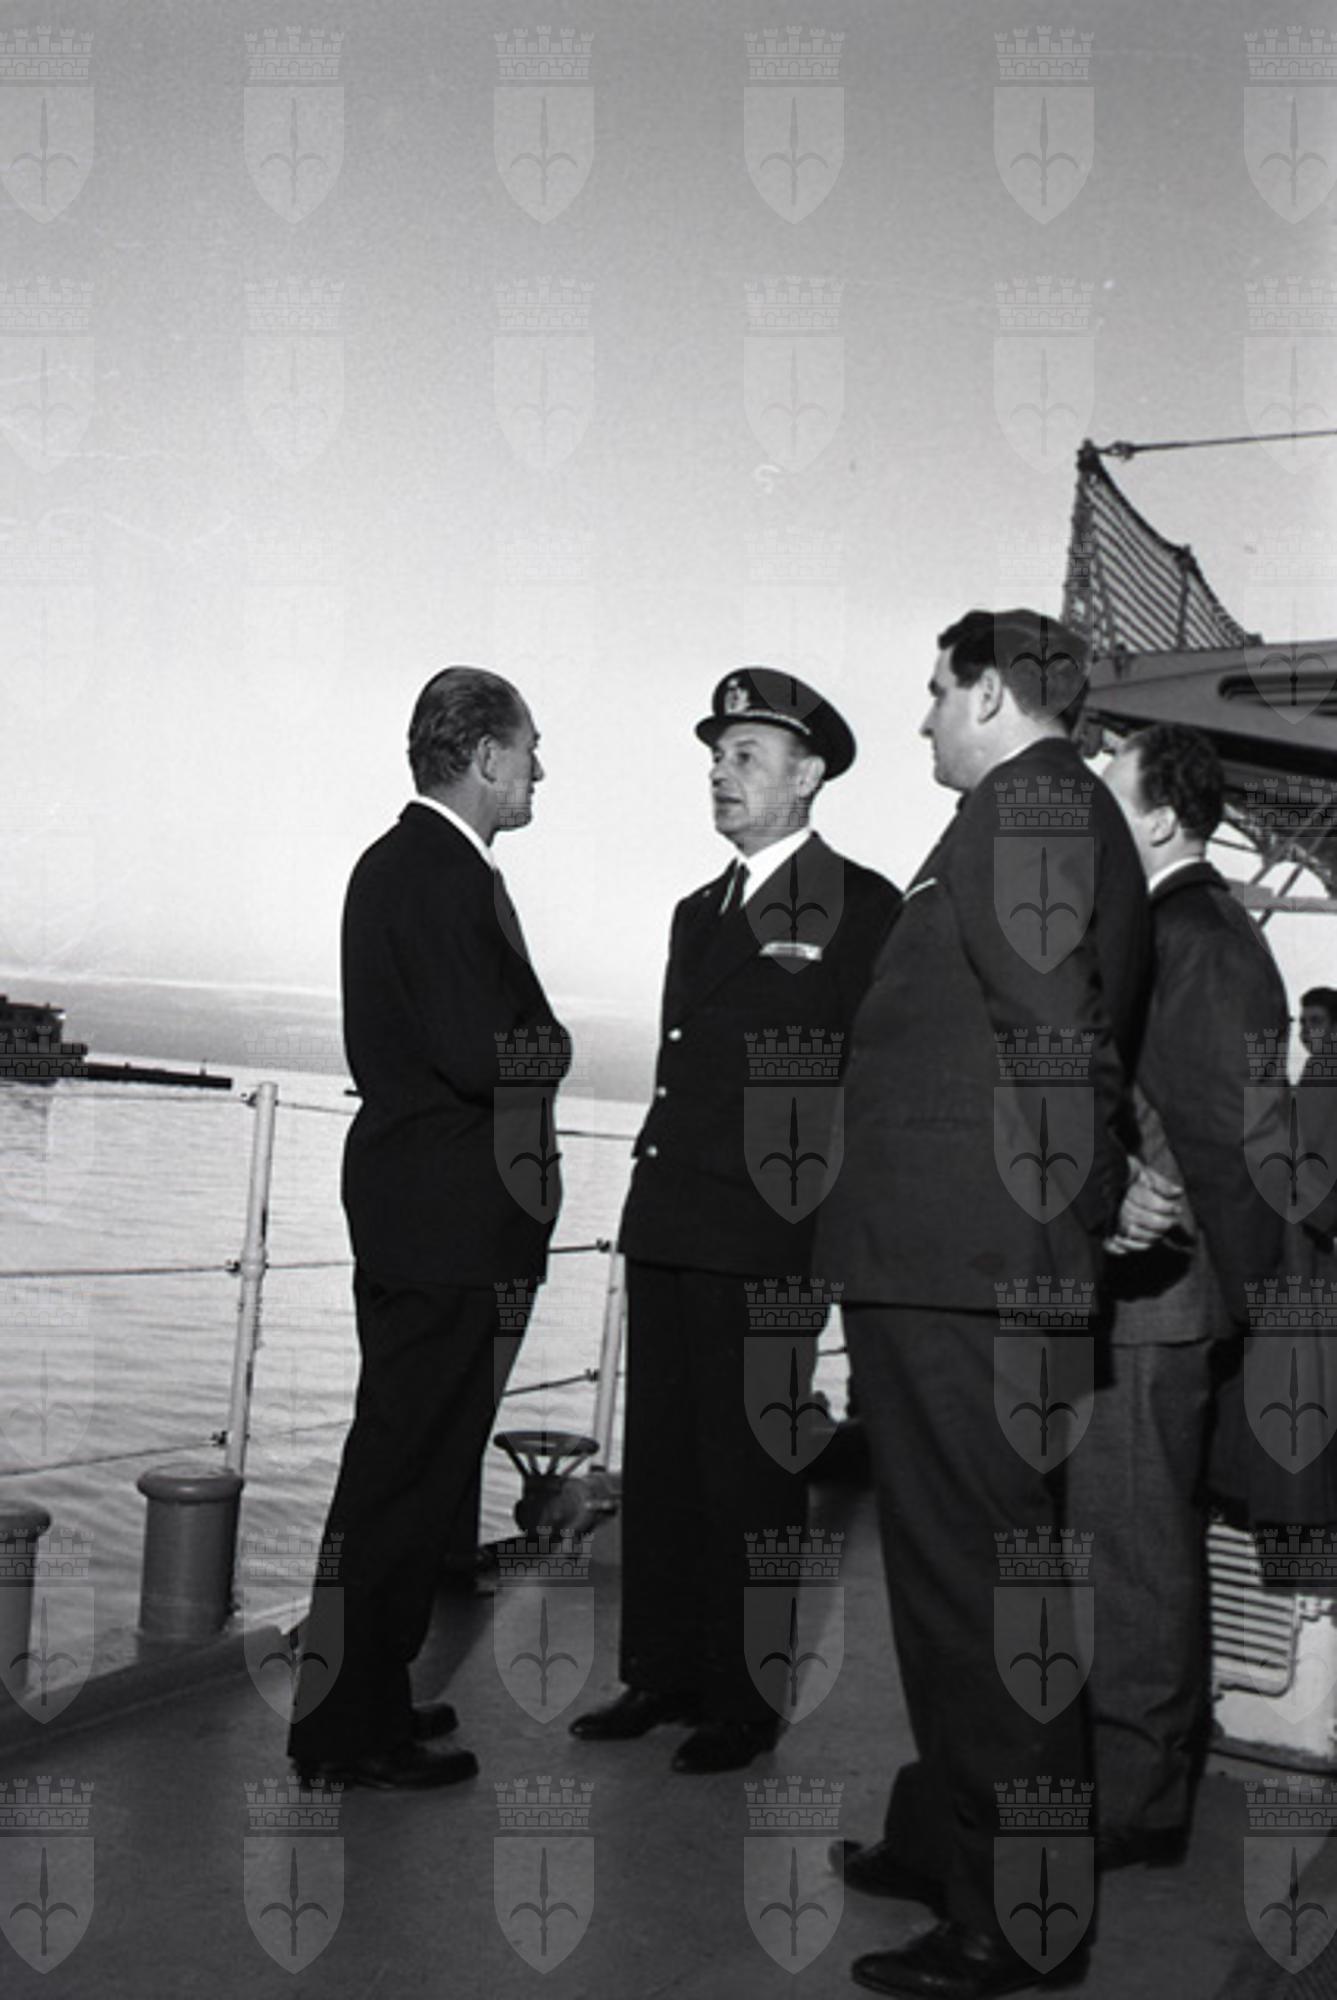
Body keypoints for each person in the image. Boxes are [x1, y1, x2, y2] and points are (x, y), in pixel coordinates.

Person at [815, 611, 1150, 1999]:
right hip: (955, 1263)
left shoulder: (1027, 809)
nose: (921, 720)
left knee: (977, 1593)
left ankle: (1018, 1919)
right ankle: (947, 1840)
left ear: (993, 695)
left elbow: (1054, 1029)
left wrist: (1094, 1191)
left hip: (969, 1268)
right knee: (953, 1581)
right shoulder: (1048, 812)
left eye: (935, 693)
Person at [570, 669, 901, 1774]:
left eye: (746, 755)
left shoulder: (862, 906)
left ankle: (743, 1697)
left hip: (768, 1234)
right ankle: (659, 1668)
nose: (721, 772)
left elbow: (873, 1079)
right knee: (663, 1458)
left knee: (753, 1470)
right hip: (670, 1215)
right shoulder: (695, 911)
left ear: (806, 777)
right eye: (716, 756)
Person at [288, 666, 569, 1789]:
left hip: (420, 1212)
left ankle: (365, 1695)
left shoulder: (398, 864)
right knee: (404, 1477)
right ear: (486, 756)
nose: (541, 769)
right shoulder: (442, 874)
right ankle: (347, 1726)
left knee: (407, 1467)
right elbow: (485, 1052)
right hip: (450, 1225)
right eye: (531, 749)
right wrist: (552, 1043)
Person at [1064, 725, 1287, 1872]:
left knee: (1139, 1548)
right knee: (1124, 1539)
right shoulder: (1191, 927)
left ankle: (1138, 1798)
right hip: (1147, 1284)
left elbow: (1229, 1140)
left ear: (1157, 817)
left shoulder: (1193, 936)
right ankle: (1127, 1767)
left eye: (1111, 791)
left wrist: (1241, 1300)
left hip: (1163, 1294)